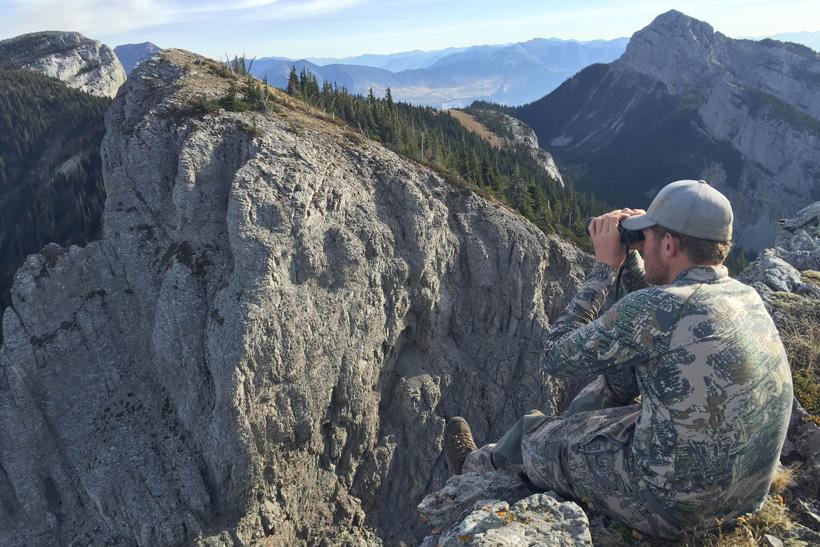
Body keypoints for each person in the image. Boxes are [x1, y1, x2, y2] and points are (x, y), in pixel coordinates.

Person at [444, 180, 793, 538]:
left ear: (670, 244)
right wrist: (637, 255)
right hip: (744, 497)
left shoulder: (659, 308)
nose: (643, 243)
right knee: (618, 376)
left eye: (650, 237)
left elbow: (555, 356)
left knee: (535, 437)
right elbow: (656, 323)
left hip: (674, 511)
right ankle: (565, 432)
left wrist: (605, 268)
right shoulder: (744, 296)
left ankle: (477, 466)